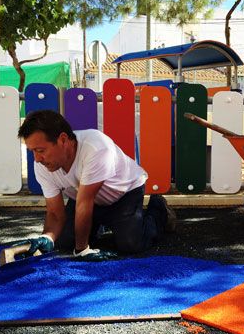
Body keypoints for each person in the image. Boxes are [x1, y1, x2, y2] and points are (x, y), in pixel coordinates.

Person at [16, 109, 175, 261]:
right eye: (32, 151)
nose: (36, 159)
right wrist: (47, 237)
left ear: (63, 140)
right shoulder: (43, 165)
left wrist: (82, 250)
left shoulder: (95, 147)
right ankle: (98, 226)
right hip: (86, 199)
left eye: (40, 150)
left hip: (124, 193)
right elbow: (55, 213)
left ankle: (159, 209)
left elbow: (85, 202)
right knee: (63, 242)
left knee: (131, 244)